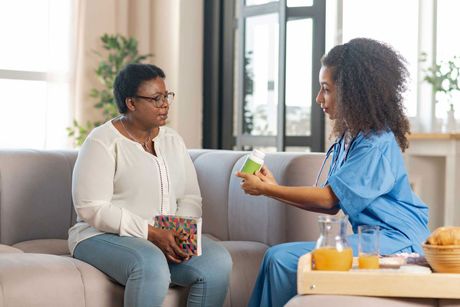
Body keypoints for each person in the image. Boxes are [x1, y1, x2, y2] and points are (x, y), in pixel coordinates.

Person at [236, 38, 430, 307]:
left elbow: (328, 199)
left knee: (281, 259)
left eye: (325, 89)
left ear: (352, 92)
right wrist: (271, 188)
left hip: (397, 242)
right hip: (373, 238)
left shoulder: (376, 144)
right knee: (275, 257)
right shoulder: (351, 137)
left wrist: (268, 189)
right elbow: (331, 205)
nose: (318, 98)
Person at [68, 63, 232, 307]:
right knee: (150, 263)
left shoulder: (172, 140)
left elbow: (189, 196)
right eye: (156, 98)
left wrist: (180, 233)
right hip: (100, 236)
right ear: (131, 103)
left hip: (162, 236)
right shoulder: (102, 142)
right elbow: (92, 208)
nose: (165, 104)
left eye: (166, 96)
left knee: (217, 261)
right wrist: (152, 234)